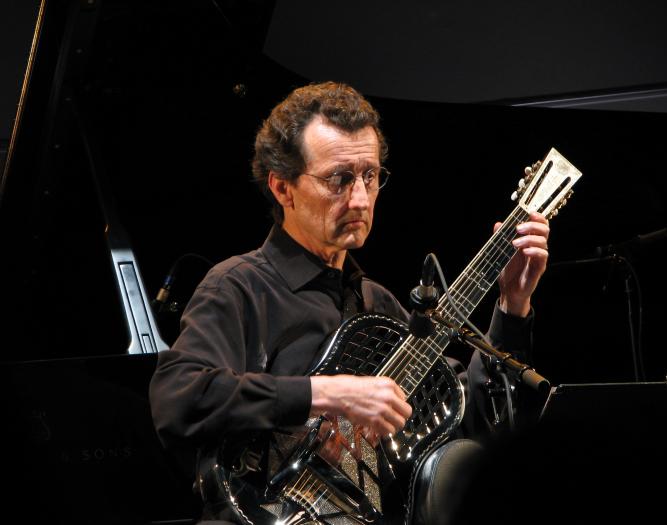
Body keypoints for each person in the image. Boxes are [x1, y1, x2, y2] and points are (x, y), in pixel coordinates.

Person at [149, 81, 550, 524]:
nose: (360, 199)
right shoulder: (239, 287)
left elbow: (471, 427)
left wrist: (513, 306)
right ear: (283, 188)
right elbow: (179, 399)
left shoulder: (378, 304)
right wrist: (325, 395)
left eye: (370, 176)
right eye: (339, 179)